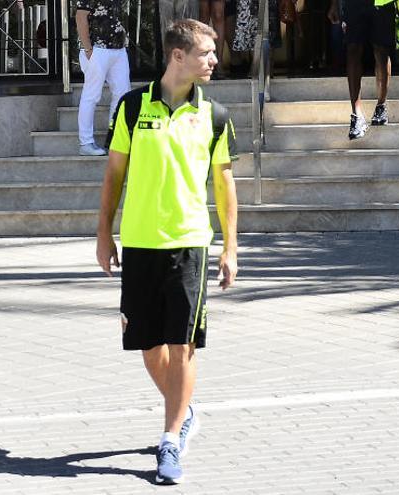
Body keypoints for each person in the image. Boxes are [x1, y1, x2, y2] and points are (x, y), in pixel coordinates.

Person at [95, 19, 238, 485]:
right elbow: (114, 175)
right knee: (148, 345)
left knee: (183, 344)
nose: (213, 60)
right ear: (178, 56)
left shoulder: (214, 114)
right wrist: (103, 234)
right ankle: (185, 407)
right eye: (206, 52)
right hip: (139, 243)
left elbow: (224, 184)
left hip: (190, 243)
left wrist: (230, 247)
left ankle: (170, 437)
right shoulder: (133, 107)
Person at [328, 0, 396, 139]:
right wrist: (334, 4)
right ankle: (356, 114)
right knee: (352, 48)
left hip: (383, 3)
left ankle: (381, 105)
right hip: (354, 4)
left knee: (381, 50)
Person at [75, 0, 131, 156]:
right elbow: (80, 17)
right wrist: (88, 49)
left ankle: (115, 139)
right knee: (91, 95)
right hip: (97, 49)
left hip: (119, 49)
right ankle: (85, 142)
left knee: (122, 94)